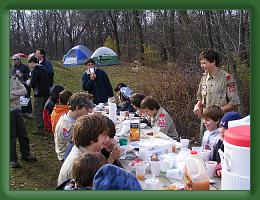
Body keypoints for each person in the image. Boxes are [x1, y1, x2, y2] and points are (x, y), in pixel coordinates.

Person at [193, 49, 240, 141]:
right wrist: (197, 106)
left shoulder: (227, 78)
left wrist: (217, 111)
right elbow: (200, 97)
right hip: (206, 120)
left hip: (221, 122)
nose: (202, 66)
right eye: (201, 63)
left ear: (213, 62)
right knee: (205, 145)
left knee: (219, 147)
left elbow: (234, 102)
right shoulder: (204, 77)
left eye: (204, 63)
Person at [57, 114, 110, 185]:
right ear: (92, 138)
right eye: (104, 135)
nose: (107, 139)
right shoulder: (81, 163)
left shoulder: (84, 150)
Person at [54, 92, 95, 162]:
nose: (89, 111)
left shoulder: (69, 117)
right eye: (87, 109)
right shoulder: (68, 128)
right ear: (77, 108)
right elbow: (80, 146)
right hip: (68, 159)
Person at [10, 74, 36, 168]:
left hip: (18, 110)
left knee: (23, 133)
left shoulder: (14, 78)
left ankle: (26, 154)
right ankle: (13, 159)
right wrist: (18, 94)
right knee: (11, 137)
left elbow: (24, 90)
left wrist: (13, 93)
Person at [212, 112, 242, 177]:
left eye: (226, 128)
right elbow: (214, 162)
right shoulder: (220, 142)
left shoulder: (240, 150)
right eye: (221, 126)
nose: (222, 131)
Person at [28, 56, 50, 135]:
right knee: (45, 110)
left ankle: (40, 128)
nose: (29, 65)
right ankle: (48, 126)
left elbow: (33, 82)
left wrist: (29, 83)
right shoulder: (43, 69)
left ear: (33, 62)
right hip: (46, 92)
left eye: (29, 63)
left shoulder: (35, 70)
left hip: (39, 93)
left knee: (37, 110)